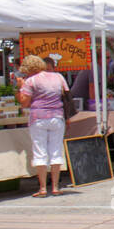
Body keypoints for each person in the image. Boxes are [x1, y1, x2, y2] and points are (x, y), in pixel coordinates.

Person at [12, 55, 70, 197]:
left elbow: (24, 103)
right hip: (57, 116)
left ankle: (43, 188)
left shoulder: (30, 81)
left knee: (40, 151)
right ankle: (56, 187)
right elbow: (66, 94)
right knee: (56, 151)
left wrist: (19, 87)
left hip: (38, 118)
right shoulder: (58, 77)